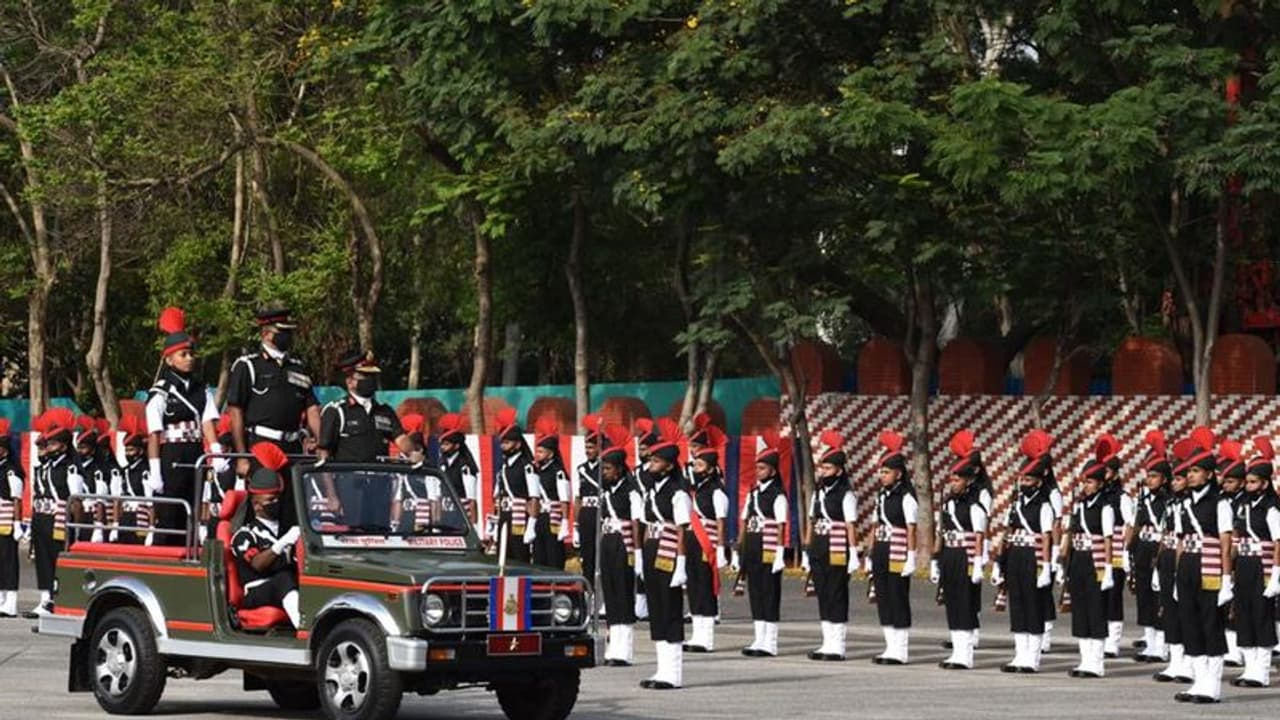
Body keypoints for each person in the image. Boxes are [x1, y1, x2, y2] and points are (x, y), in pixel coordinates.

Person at [147, 307, 223, 545]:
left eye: (191, 353)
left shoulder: (201, 389)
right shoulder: (160, 392)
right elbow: (154, 435)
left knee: (194, 505)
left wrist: (217, 452)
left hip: (195, 452)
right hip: (172, 454)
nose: (189, 358)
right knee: (170, 514)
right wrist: (155, 470)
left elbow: (208, 422)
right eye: (183, 354)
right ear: (169, 359)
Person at [316, 351, 415, 526]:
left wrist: (414, 452)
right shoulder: (336, 411)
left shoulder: (385, 411)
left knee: (380, 536)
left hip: (380, 484)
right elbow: (323, 454)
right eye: (365, 376)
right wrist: (331, 495)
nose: (370, 381)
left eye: (372, 376)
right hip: (350, 485)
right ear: (350, 382)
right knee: (354, 537)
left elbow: (400, 438)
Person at [226, 305, 320, 487]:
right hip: (261, 445)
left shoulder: (298, 368)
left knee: (293, 505)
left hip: (293, 447)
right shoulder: (248, 365)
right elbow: (235, 412)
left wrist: (323, 443)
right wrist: (241, 456)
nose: (287, 337)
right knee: (266, 498)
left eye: (289, 332)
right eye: (282, 332)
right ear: (266, 334)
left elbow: (312, 409)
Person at [1172, 427, 1233, 704]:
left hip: (1209, 566)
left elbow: (1225, 542)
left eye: (1197, 471)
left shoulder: (1220, 503)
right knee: (1190, 623)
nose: (1191, 475)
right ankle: (1198, 681)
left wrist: (1227, 578)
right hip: (1187, 566)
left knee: (1210, 624)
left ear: (1209, 474)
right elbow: (1181, 542)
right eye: (1190, 471)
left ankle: (1212, 685)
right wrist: (1176, 576)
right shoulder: (1183, 504)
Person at [993, 429, 1054, 674]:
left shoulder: (1044, 505)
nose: (1024, 484)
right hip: (1016, 555)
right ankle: (1020, 654)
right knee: (1017, 603)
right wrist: (1000, 561)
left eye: (1029, 480)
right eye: (1023, 480)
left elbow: (1047, 537)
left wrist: (1046, 567)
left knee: (1033, 605)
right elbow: (1008, 533)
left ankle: (1033, 657)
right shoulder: (1017, 504)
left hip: (1033, 556)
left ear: (1039, 481)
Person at [229, 443, 302, 627]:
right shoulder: (245, 535)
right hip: (256, 591)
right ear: (257, 505)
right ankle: (304, 631)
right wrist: (284, 543)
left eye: (277, 498)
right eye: (270, 500)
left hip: (284, 586)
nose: (275, 502)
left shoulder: (285, 527)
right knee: (284, 580)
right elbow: (258, 564)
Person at [638, 435, 689, 690]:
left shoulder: (678, 493)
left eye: (656, 461)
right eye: (650, 461)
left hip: (669, 550)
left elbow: (682, 531)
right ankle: (661, 668)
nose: (650, 465)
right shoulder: (651, 490)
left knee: (669, 608)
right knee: (656, 608)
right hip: (652, 549)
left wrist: (681, 564)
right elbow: (648, 526)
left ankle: (674, 672)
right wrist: (641, 556)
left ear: (669, 465)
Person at [934, 429, 987, 670]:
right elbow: (941, 533)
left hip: (965, 556)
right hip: (950, 554)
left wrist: (977, 563)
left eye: (957, 480)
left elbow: (979, 536)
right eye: (951, 479)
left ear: (967, 480)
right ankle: (956, 651)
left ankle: (965, 654)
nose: (952, 483)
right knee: (952, 601)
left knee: (964, 603)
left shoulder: (974, 506)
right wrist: (936, 559)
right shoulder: (947, 504)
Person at [801, 431, 857, 661]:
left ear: (839, 470)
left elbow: (850, 524)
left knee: (836, 593)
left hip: (837, 547)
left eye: (828, 468)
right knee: (822, 593)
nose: (823, 472)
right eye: (822, 467)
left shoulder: (846, 494)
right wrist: (807, 550)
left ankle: (838, 644)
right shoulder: (819, 493)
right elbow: (812, 522)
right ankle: (827, 642)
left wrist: (853, 553)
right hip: (819, 547)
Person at [25, 409, 85, 617]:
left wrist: (76, 530)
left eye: (52, 444)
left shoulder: (70, 468)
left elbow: (75, 502)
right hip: (42, 518)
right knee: (43, 560)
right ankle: (45, 600)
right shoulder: (46, 467)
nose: (48, 448)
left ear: (64, 445)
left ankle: (60, 600)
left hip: (59, 520)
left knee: (58, 561)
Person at [734, 431, 788, 658]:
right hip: (753, 548)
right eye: (757, 468)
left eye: (763, 468)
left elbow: (781, 526)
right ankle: (759, 637)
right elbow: (745, 522)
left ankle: (770, 641)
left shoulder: (777, 496)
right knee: (755, 592)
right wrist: (739, 549)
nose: (758, 472)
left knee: (769, 592)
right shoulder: (754, 494)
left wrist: (779, 554)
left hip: (768, 549)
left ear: (773, 471)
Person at [1232, 436, 1279, 688]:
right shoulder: (1244, 505)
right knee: (1244, 613)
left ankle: (1261, 670)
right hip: (1245, 562)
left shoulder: (1272, 507)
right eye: (1247, 481)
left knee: (1261, 615)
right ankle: (1249, 668)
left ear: (1264, 483)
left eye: (1252, 482)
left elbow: (1278, 542)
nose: (1247, 486)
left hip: (1263, 563)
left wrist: (1275, 576)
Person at [1062, 456, 1114, 678]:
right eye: (1085, 482)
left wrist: (1109, 569)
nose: (1086, 486)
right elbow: (1071, 535)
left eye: (1091, 482)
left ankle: (1097, 662)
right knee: (1080, 609)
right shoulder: (1080, 506)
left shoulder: (1105, 507)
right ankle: (1085, 660)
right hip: (1079, 559)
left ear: (1100, 484)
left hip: (1096, 560)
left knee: (1095, 609)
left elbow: (1109, 539)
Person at [869, 430, 917, 665]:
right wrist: (870, 552)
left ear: (898, 474)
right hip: (881, 547)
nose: (883, 476)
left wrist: (911, 556)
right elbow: (875, 524)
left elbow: (911, 528)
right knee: (884, 596)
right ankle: (889, 646)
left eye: (887, 472)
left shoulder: (906, 497)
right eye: (881, 472)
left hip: (898, 548)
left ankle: (901, 648)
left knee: (897, 596)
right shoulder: (881, 496)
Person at [598, 425, 643, 667]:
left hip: (624, 543)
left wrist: (637, 552)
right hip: (608, 541)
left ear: (619, 468)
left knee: (624, 593)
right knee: (610, 591)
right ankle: (612, 644)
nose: (603, 472)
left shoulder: (631, 490)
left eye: (607, 468)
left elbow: (636, 523)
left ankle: (624, 649)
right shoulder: (606, 490)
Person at [1154, 438, 1194, 683]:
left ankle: (1188, 663)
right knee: (1169, 609)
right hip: (1168, 556)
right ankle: (1175, 661)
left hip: (1186, 557)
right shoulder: (1171, 502)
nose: (1176, 482)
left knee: (1186, 611)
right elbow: (1163, 535)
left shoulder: (1189, 503)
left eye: (1180, 478)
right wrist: (1159, 565)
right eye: (1175, 478)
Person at [1132, 430, 1173, 663]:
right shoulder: (1144, 499)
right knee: (1145, 596)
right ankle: (1150, 642)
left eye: (1155, 476)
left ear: (1165, 479)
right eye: (1148, 476)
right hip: (1144, 549)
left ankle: (1162, 646)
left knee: (1161, 598)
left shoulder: (1169, 500)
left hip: (1161, 549)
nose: (1150, 480)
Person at [684, 441, 728, 654]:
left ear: (710, 468)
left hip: (707, 542)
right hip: (693, 540)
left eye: (700, 465)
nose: (696, 469)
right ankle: (696, 634)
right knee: (693, 587)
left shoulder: (717, 491)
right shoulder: (696, 490)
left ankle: (707, 637)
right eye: (695, 465)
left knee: (705, 588)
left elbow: (721, 522)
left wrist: (720, 548)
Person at [1095, 434, 1133, 659]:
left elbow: (1129, 525)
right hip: (1097, 552)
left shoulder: (1121, 497)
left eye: (1107, 472)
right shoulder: (1097, 497)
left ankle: (1113, 640)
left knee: (1113, 597)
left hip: (1116, 553)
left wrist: (1125, 552)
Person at [493, 408, 541, 564]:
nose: (503, 446)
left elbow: (534, 496)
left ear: (518, 444)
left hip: (520, 517)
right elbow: (499, 497)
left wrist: (532, 524)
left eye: (507, 442)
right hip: (505, 515)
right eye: (502, 443)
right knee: (503, 557)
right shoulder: (504, 467)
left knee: (519, 558)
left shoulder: (527, 466)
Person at [1216, 440, 1248, 668]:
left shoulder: (1245, 502)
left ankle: (1237, 649)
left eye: (1230, 480)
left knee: (1238, 605)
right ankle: (1229, 646)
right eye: (1224, 479)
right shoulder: (1221, 499)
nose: (1225, 484)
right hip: (1221, 557)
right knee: (1224, 605)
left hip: (1240, 556)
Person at [531, 419, 570, 570]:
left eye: (541, 452)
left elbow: (564, 499)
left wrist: (565, 521)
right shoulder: (535, 471)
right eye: (537, 451)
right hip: (540, 515)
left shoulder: (557, 472)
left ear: (551, 453)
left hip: (553, 518)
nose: (537, 455)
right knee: (539, 555)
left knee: (553, 554)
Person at [112, 415, 155, 545]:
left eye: (131, 450)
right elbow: (118, 499)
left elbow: (151, 502)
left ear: (140, 451)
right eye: (126, 450)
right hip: (126, 515)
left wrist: (151, 529)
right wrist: (115, 523)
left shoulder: (145, 470)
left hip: (140, 516)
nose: (127, 453)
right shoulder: (124, 470)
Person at [201, 414, 243, 542]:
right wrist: (203, 522)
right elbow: (206, 496)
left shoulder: (235, 466)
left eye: (222, 446)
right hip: (214, 514)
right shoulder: (212, 467)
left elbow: (238, 492)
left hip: (229, 513)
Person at [575, 415, 603, 590]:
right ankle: (589, 592)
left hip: (600, 513)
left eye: (591, 447)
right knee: (587, 555)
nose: (588, 451)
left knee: (603, 557)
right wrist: (576, 524)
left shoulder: (606, 467)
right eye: (586, 447)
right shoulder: (582, 469)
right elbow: (578, 498)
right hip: (586, 514)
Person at [436, 412, 479, 524]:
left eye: (446, 445)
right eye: (442, 445)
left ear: (456, 446)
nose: (442, 448)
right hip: (445, 517)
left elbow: (471, 501)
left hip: (461, 519)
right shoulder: (442, 464)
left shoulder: (465, 467)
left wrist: (474, 528)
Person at [0, 419, 24, 618]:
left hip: (7, 521)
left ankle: (11, 602)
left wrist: (17, 524)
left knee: (9, 562)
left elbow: (17, 498)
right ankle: (1, 599)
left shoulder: (11, 470)